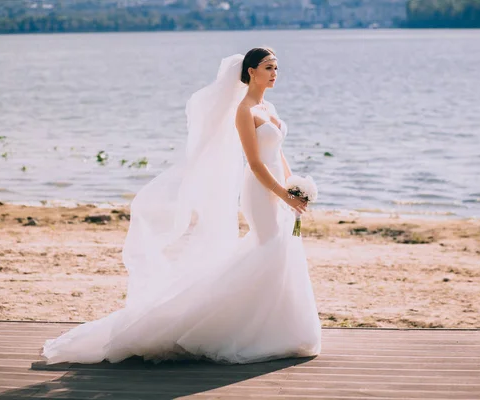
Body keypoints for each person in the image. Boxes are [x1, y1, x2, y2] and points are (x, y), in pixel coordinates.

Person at [41, 47, 322, 365]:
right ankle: (232, 327)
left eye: (277, 67)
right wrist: (281, 194)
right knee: (269, 247)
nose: (275, 73)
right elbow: (256, 163)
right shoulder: (244, 111)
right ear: (251, 72)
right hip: (259, 190)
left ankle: (278, 328)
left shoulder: (269, 106)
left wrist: (293, 186)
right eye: (268, 67)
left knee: (281, 250)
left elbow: (278, 154)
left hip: (279, 188)